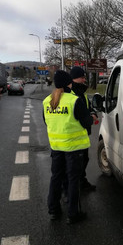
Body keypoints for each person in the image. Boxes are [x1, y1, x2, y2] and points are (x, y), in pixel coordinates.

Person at [43, 70, 94, 224]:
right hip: (74, 148)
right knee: (73, 180)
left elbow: (46, 122)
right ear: (68, 83)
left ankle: (53, 211)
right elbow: (87, 122)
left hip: (56, 147)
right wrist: (91, 118)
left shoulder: (47, 101)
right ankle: (73, 213)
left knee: (56, 178)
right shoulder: (73, 100)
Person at [70, 66, 98, 191]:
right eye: (82, 77)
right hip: (74, 135)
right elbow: (78, 114)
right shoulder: (72, 93)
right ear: (77, 78)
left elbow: (87, 107)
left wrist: (92, 113)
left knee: (84, 159)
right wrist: (89, 118)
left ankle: (81, 181)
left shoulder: (82, 92)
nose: (84, 79)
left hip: (82, 134)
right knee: (75, 164)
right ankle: (72, 188)